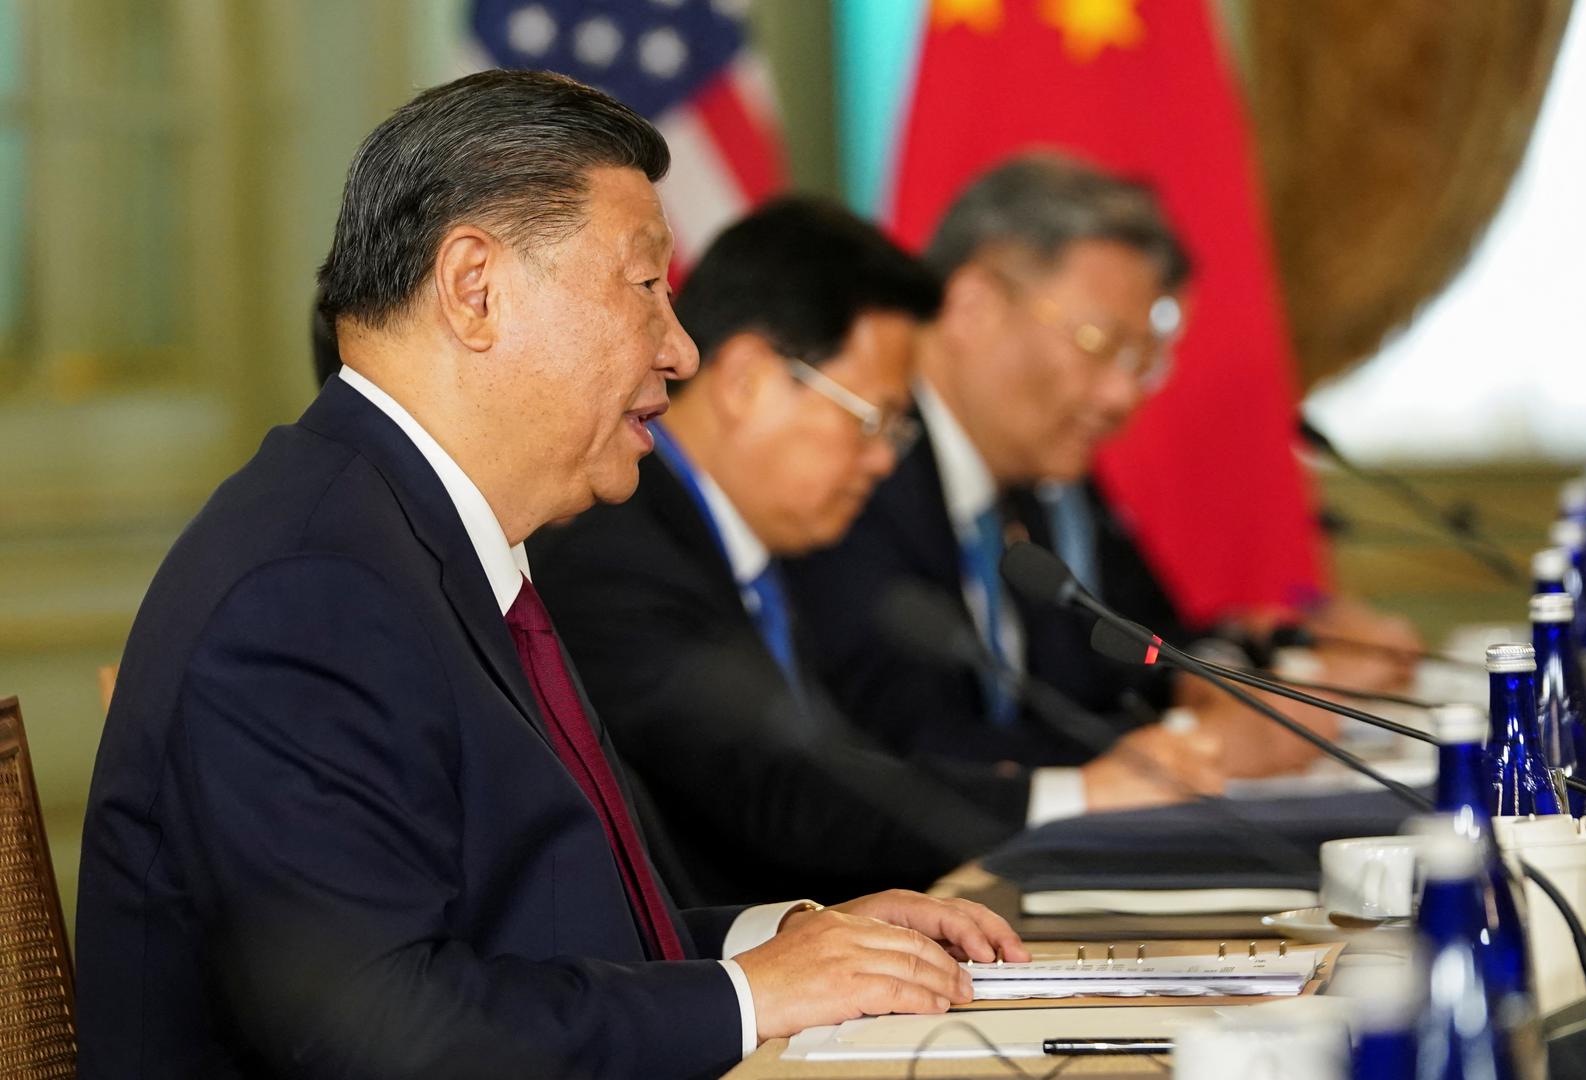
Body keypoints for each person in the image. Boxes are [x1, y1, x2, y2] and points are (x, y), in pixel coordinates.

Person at [74, 70, 1028, 1080]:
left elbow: (544, 940)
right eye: (646, 285)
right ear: (476, 288)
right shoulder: (311, 586)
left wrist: (785, 945)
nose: (681, 349)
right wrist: (753, 995)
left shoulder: (423, 538)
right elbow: (387, 1031)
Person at [528, 198, 1221, 907]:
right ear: (746, 381)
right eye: (874, 421)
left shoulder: (751, 554)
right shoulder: (616, 557)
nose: (885, 462)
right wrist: (1074, 793)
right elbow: (782, 798)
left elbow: (848, 764)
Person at [789, 155, 1374, 780]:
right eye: (1100, 345)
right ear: (973, 306)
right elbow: (910, 748)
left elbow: (1141, 645)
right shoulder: (862, 469)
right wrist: (1190, 745)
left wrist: (1245, 665)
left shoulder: (1039, 466)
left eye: (1144, 361)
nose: (1122, 397)